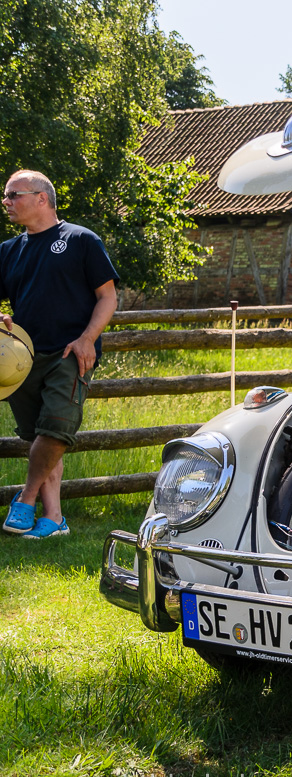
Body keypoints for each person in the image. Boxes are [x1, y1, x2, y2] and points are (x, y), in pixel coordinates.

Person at [0, 170, 118, 539]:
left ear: (41, 198)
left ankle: (26, 499)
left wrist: (87, 339)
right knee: (39, 437)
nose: (6, 202)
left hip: (71, 352)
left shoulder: (81, 240)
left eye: (13, 195)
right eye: (5, 196)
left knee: (55, 430)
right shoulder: (7, 251)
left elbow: (108, 297)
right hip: (21, 358)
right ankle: (54, 519)